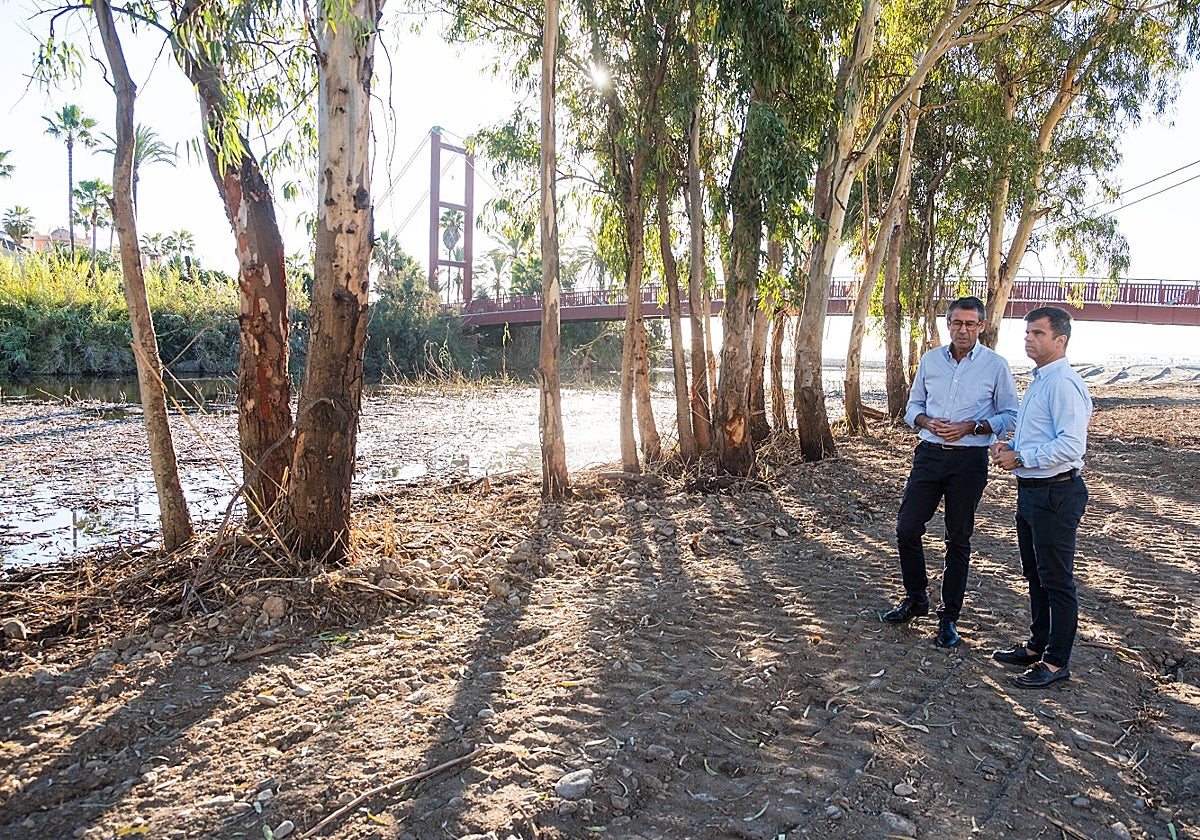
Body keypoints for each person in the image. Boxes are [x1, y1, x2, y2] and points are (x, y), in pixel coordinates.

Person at [883, 296, 1019, 648]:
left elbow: (1010, 416)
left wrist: (971, 427)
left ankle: (949, 618)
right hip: (928, 455)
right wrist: (926, 420)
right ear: (948, 325)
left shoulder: (996, 366)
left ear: (982, 327)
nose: (963, 330)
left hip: (969, 462)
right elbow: (913, 406)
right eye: (957, 323)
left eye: (970, 324)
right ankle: (916, 599)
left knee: (958, 539)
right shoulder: (930, 360)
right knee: (907, 527)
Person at [990, 306, 1092, 689]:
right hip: (1032, 491)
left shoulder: (1063, 384)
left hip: (1056, 492)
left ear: (1060, 340)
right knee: (1035, 575)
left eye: (1038, 333)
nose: (1029, 338)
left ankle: (1055, 662)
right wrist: (1010, 447)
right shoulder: (1040, 380)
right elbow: (1039, 436)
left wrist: (1022, 457)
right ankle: (1037, 644)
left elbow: (1070, 445)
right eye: (1027, 333)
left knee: (1057, 580)